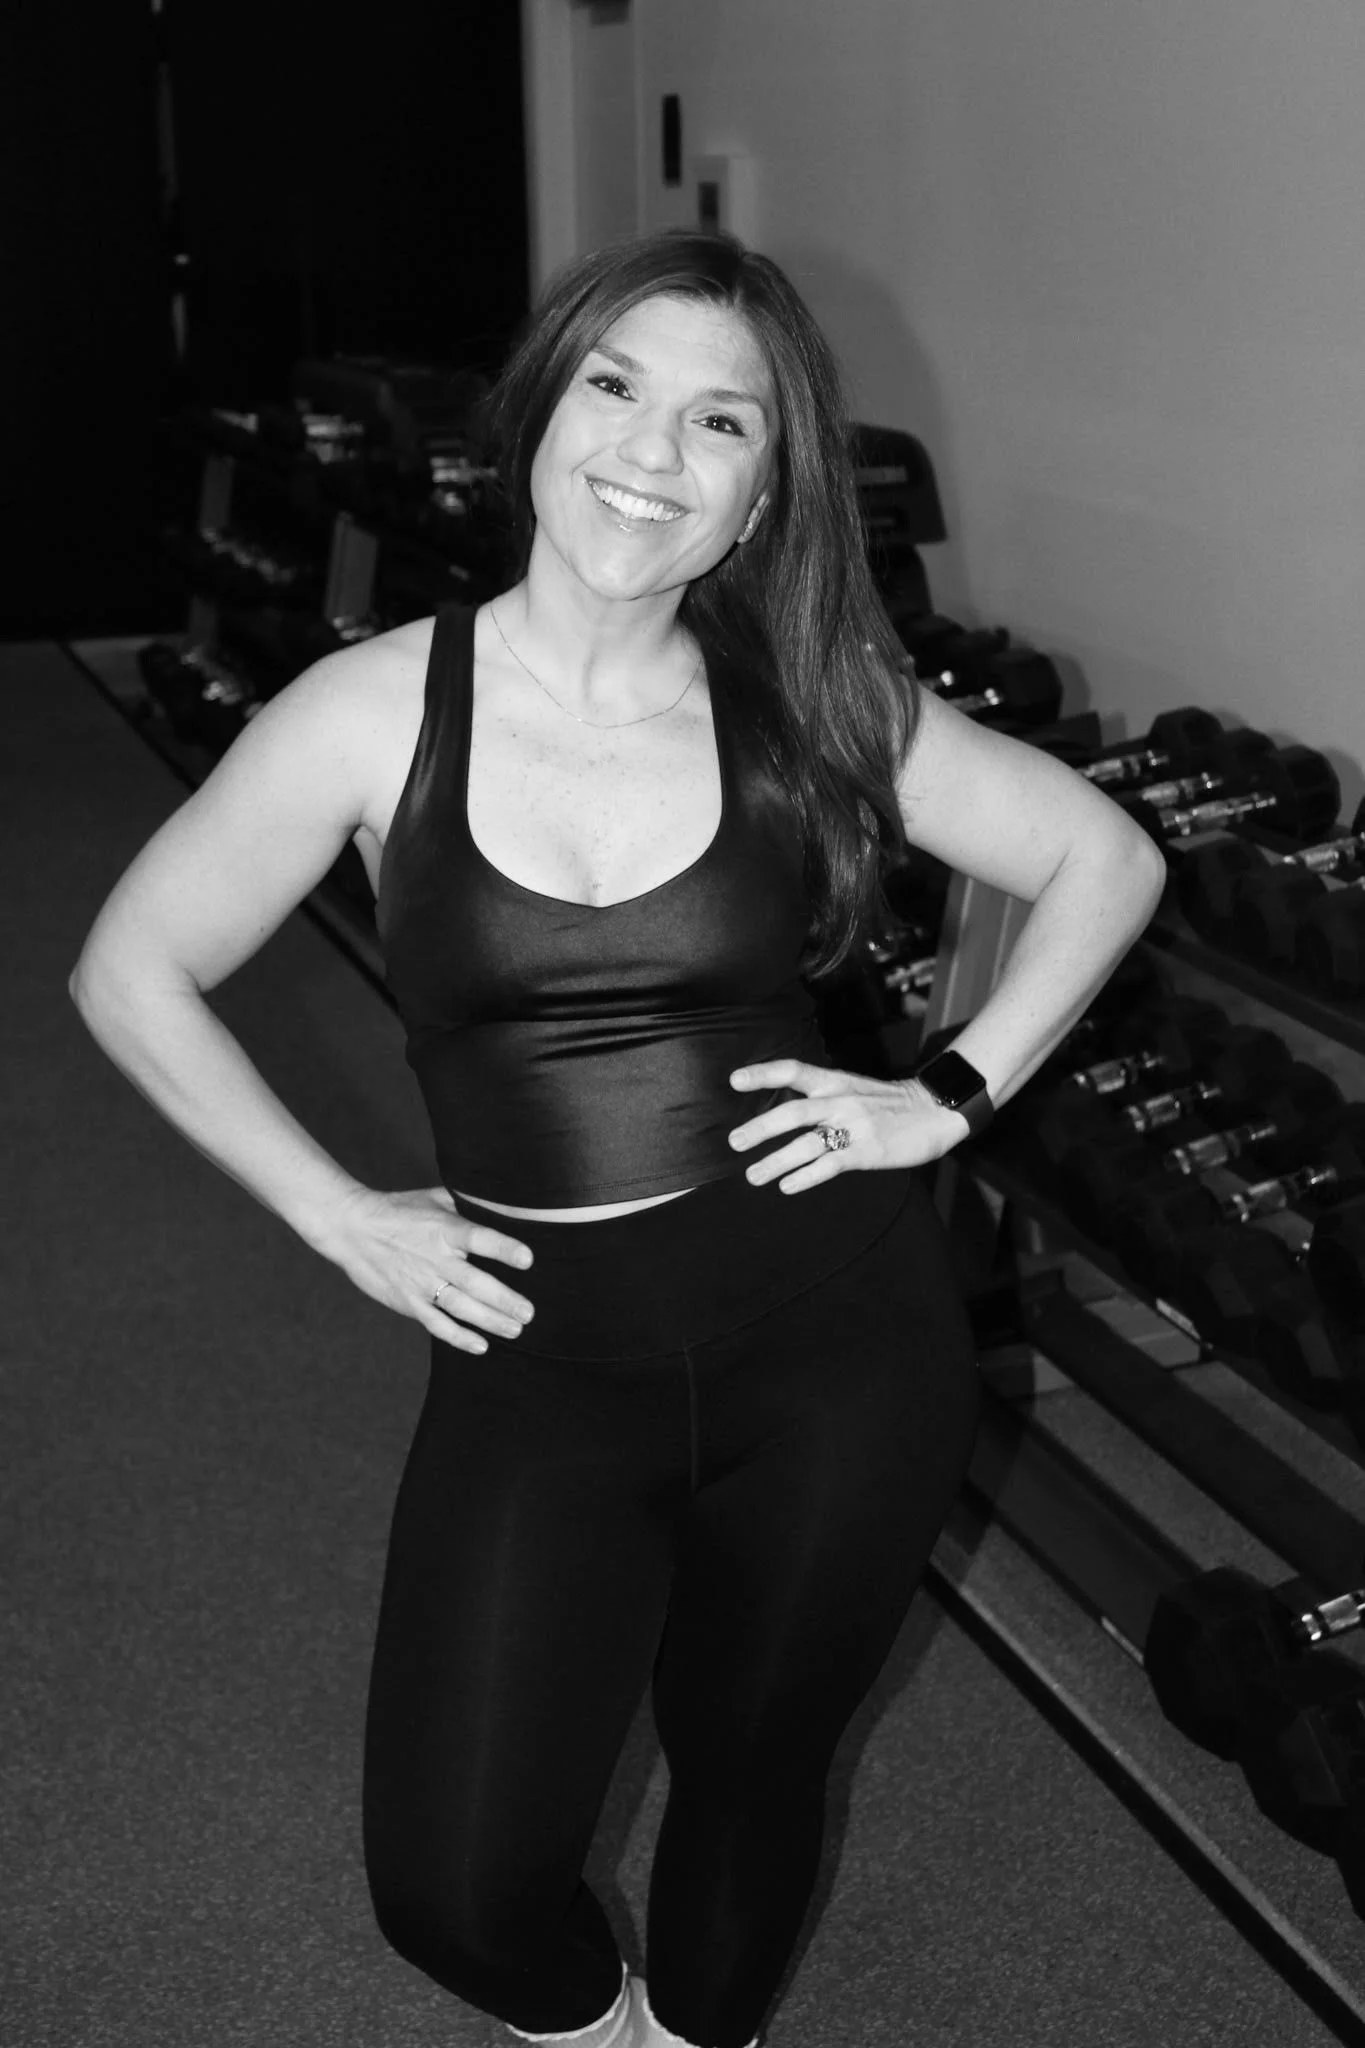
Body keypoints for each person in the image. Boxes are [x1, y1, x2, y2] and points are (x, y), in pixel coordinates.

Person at [70, 227, 1166, 2048]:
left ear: (758, 498)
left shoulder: (813, 696)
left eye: (721, 423)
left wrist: (944, 1095)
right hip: (540, 1359)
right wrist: (336, 1215)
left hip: (836, 1339)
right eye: (618, 386)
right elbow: (132, 970)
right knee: (452, 1893)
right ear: (541, 415)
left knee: (752, 1772)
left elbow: (1102, 859)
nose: (653, 453)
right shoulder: (368, 711)